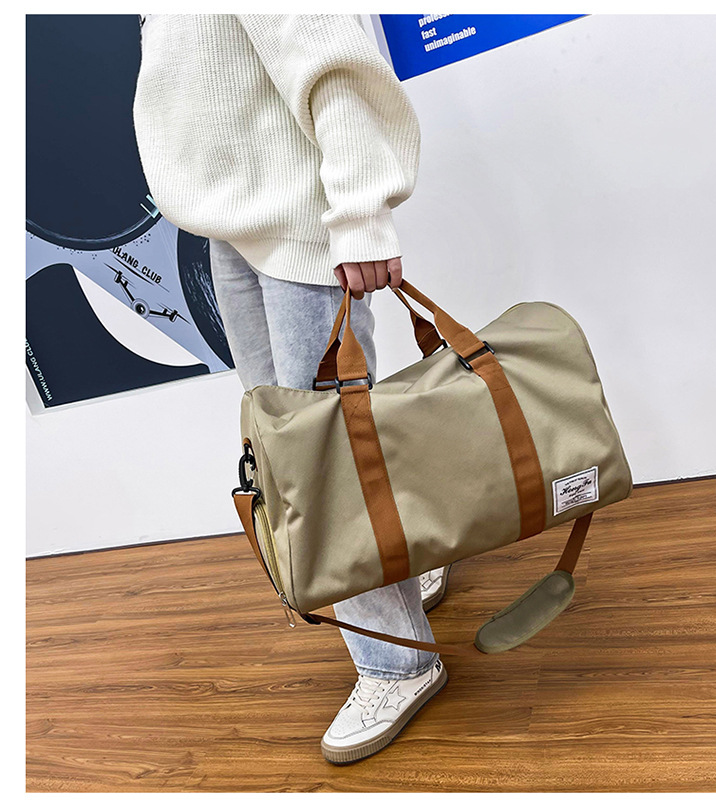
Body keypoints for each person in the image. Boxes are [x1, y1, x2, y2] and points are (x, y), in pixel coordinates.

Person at [132, 13, 451, 764]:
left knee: (321, 459)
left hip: (300, 224)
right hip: (231, 226)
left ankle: (397, 661)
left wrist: (361, 215)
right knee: (302, 446)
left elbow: (332, 57)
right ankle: (406, 566)